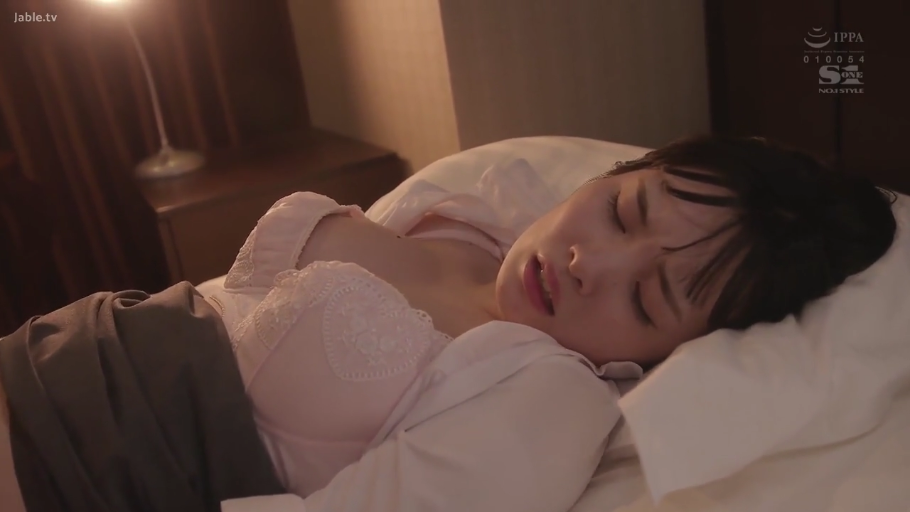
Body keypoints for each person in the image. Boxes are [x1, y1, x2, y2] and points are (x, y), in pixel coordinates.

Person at [0, 135, 898, 512]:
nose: (591, 263)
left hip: (80, 466)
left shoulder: (550, 402)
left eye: (645, 301)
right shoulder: (481, 213)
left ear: (670, 354)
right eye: (622, 212)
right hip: (49, 349)